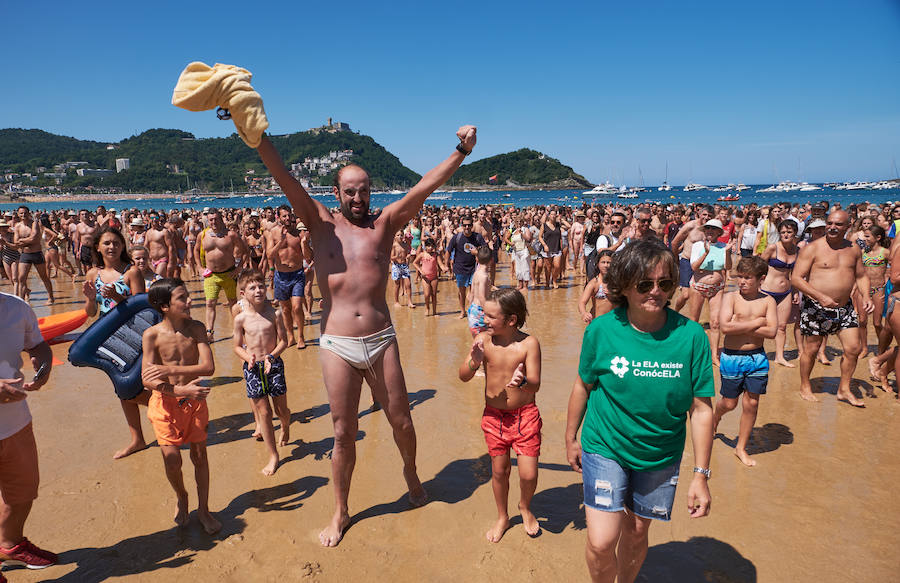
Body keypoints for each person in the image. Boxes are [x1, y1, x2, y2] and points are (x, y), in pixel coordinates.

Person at [256, 123, 477, 547]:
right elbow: (283, 176)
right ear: (336, 193)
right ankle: (340, 509)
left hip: (380, 339)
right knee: (343, 432)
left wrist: (461, 151)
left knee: (402, 420)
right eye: (349, 192)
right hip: (337, 343)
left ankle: (411, 471)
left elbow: (425, 186)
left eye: (364, 191)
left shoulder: (385, 223)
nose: (358, 198)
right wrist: (255, 135)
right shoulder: (319, 223)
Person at [565, 240, 713, 583]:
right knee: (602, 541)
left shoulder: (692, 336)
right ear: (624, 285)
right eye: (645, 284)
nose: (656, 292)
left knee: (635, 533)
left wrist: (701, 475)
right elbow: (582, 386)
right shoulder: (601, 330)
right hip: (605, 445)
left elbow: (701, 409)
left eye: (665, 283)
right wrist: (570, 437)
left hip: (660, 454)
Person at [458, 288, 542, 543]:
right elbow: (463, 376)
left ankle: (524, 506)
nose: (484, 320)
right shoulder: (483, 341)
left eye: (491, 316)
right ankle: (502, 516)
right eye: (484, 314)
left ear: (511, 319)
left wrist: (523, 381)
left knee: (528, 474)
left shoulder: (529, 344)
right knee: (499, 471)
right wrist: (474, 362)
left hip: (525, 416)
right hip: (494, 418)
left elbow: (535, 385)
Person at [141, 278, 221, 534]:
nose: (189, 301)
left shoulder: (196, 328)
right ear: (165, 306)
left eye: (188, 296)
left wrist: (169, 371)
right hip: (165, 404)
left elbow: (208, 367)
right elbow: (147, 380)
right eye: (182, 298)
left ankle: (204, 509)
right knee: (173, 460)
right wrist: (179, 390)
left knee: (199, 456)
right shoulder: (152, 335)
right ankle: (182, 495)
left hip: (194, 402)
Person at [0, 290, 56, 573]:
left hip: (16, 423)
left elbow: (37, 345)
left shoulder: (16, 307)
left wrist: (43, 364)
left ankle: (10, 545)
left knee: (22, 492)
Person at [792, 210, 872, 406]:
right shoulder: (812, 248)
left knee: (853, 348)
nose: (832, 227)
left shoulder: (853, 249)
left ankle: (844, 389)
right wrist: (820, 297)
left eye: (838, 224)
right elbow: (796, 278)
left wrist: (866, 296)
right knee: (812, 349)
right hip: (816, 307)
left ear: (848, 226)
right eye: (830, 223)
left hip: (845, 308)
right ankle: (805, 385)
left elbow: (861, 276)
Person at [81, 226, 148, 459]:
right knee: (121, 387)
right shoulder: (92, 274)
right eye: (107, 243)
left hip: (132, 334)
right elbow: (91, 313)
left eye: (117, 243)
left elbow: (142, 309)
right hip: (108, 336)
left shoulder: (132, 272)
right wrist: (91, 299)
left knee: (132, 385)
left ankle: (172, 406)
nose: (112, 247)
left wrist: (118, 297)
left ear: (123, 246)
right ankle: (137, 439)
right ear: (98, 247)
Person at [713, 256, 777, 467]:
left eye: (748, 277)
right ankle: (716, 416)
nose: (742, 281)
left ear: (761, 279)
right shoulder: (731, 298)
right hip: (732, 357)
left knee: (752, 403)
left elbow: (772, 332)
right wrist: (757, 322)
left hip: (757, 357)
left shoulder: (768, 301)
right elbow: (725, 327)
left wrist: (740, 324)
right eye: (740, 277)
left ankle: (740, 447)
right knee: (729, 403)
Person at [233, 270, 290, 476]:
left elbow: (284, 341)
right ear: (243, 293)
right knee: (264, 413)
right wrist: (247, 357)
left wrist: (271, 357)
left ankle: (285, 425)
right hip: (253, 369)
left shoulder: (274, 313)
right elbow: (237, 346)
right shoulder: (240, 319)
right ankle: (273, 455)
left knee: (281, 410)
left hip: (273, 365)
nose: (258, 290)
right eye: (252, 288)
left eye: (261, 286)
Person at [195, 209, 248, 343]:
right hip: (211, 275)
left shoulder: (231, 235)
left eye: (216, 219)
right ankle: (210, 332)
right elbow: (195, 250)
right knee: (210, 303)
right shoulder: (203, 235)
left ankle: (237, 329)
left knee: (232, 303)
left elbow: (245, 251)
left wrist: (239, 268)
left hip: (229, 273)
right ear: (208, 220)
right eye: (211, 219)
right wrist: (200, 267)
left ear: (221, 219)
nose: (214, 222)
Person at [265, 206, 313, 348]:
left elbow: (308, 257)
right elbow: (269, 255)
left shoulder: (299, 233)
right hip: (281, 276)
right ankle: (290, 336)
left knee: (297, 307)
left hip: (297, 274)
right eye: (284, 216)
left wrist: (304, 243)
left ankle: (301, 336)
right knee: (285, 309)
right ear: (279, 217)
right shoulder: (273, 233)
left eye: (289, 215)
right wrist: (281, 241)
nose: (287, 218)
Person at [688, 219, 733, 365]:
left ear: (719, 232)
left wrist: (727, 252)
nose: (710, 231)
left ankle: (714, 356)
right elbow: (694, 267)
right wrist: (706, 253)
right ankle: (691, 352)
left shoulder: (724, 246)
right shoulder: (697, 245)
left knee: (715, 323)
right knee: (694, 321)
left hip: (717, 288)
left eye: (713, 229)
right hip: (698, 286)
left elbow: (728, 266)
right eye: (707, 228)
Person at [759, 220, 799, 367]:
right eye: (783, 232)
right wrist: (756, 287)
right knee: (762, 324)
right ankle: (757, 353)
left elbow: (795, 273)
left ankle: (779, 356)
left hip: (786, 292)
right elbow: (758, 266)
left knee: (782, 326)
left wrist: (795, 292)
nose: (786, 235)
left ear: (795, 233)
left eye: (789, 232)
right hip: (766, 291)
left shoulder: (797, 250)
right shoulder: (772, 248)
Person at [13, 207, 54, 304]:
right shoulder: (17, 226)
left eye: (25, 213)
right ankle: (21, 301)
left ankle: (51, 297)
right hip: (25, 254)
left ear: (29, 213)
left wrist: (22, 240)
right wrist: (27, 240)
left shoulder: (34, 223)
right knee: (21, 278)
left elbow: (34, 238)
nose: (23, 215)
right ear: (18, 214)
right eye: (21, 213)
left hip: (36, 254)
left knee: (44, 277)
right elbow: (15, 241)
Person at [448, 217, 487, 318]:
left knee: (473, 291)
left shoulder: (477, 237)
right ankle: (462, 311)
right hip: (460, 268)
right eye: (464, 225)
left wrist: (477, 252)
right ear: (461, 226)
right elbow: (448, 251)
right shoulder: (457, 237)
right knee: (462, 291)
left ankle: (471, 310)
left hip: (474, 268)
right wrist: (445, 265)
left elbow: (485, 251)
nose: (467, 227)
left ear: (472, 226)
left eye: (469, 225)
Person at [412, 237, 447, 316]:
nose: (430, 248)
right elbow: (414, 263)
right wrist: (420, 271)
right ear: (425, 246)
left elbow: (441, 265)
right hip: (425, 278)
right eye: (428, 246)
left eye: (432, 246)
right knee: (427, 294)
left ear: (434, 246)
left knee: (434, 295)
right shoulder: (422, 254)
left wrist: (444, 269)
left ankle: (434, 311)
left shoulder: (436, 255)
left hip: (434, 277)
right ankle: (427, 308)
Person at [577, 250, 613, 323]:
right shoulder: (594, 283)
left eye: (608, 262)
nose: (606, 265)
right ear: (597, 264)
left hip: (613, 322)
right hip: (597, 322)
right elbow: (582, 302)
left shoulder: (617, 282)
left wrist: (615, 293)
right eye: (603, 262)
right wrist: (584, 313)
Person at [468, 246, 492, 336]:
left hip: (473, 309)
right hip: (481, 310)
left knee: (477, 339)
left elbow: (471, 293)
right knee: (486, 338)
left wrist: (469, 309)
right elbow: (482, 297)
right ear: (491, 260)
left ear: (476, 259)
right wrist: (489, 312)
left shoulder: (476, 273)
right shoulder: (484, 276)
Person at [390, 230, 415, 309]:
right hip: (396, 266)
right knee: (397, 285)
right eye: (398, 235)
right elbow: (391, 257)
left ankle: (409, 302)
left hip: (404, 266)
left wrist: (409, 256)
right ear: (395, 237)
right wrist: (396, 257)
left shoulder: (405, 245)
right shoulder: (394, 246)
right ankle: (396, 302)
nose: (400, 237)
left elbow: (408, 253)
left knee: (408, 284)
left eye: (401, 235)